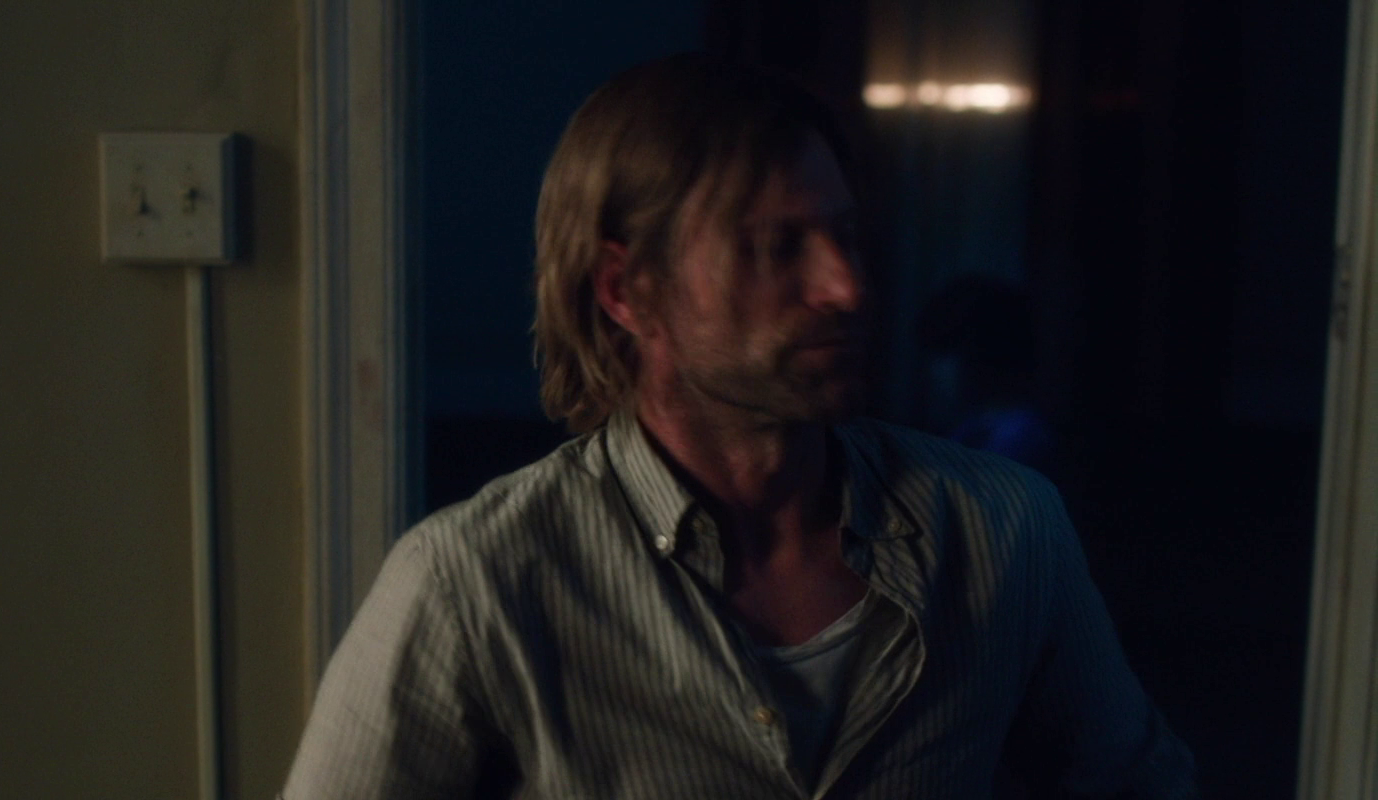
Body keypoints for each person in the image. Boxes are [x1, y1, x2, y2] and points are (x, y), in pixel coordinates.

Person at [282, 52, 1195, 799]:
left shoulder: (1003, 528)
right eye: (774, 247)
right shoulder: (475, 583)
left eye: (846, 236)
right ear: (626, 290)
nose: (846, 288)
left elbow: (1137, 783)